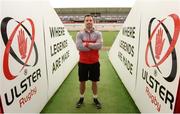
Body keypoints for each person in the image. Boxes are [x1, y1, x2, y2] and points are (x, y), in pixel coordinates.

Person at [75, 14, 103, 109]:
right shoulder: (79, 34)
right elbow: (79, 47)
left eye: (90, 20)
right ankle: (81, 98)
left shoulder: (98, 33)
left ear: (93, 21)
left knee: (94, 82)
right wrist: (93, 46)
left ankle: (95, 98)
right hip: (83, 62)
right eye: (87, 20)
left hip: (94, 62)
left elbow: (99, 46)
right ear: (84, 22)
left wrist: (86, 44)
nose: (89, 22)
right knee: (82, 81)